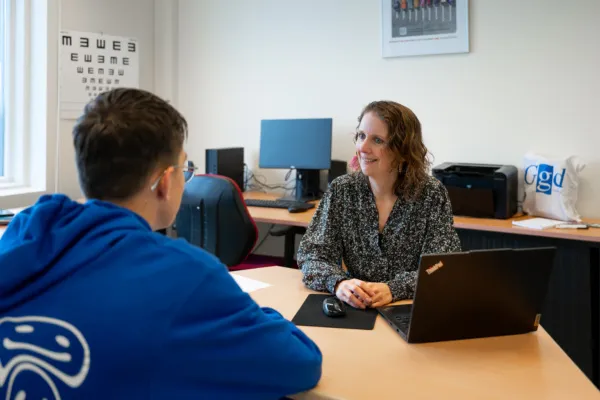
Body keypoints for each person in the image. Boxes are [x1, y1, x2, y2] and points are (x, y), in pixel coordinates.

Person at [0, 88, 322, 399]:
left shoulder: (25, 234)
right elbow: (301, 363)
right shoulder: (186, 277)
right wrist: (253, 313)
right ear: (165, 182)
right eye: (185, 168)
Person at [297, 100, 461, 309]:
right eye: (361, 136)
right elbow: (312, 256)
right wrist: (339, 283)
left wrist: (394, 289)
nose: (363, 148)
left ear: (402, 150)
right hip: (357, 306)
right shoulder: (342, 190)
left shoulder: (430, 194)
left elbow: (441, 265)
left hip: (410, 307)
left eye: (377, 140)